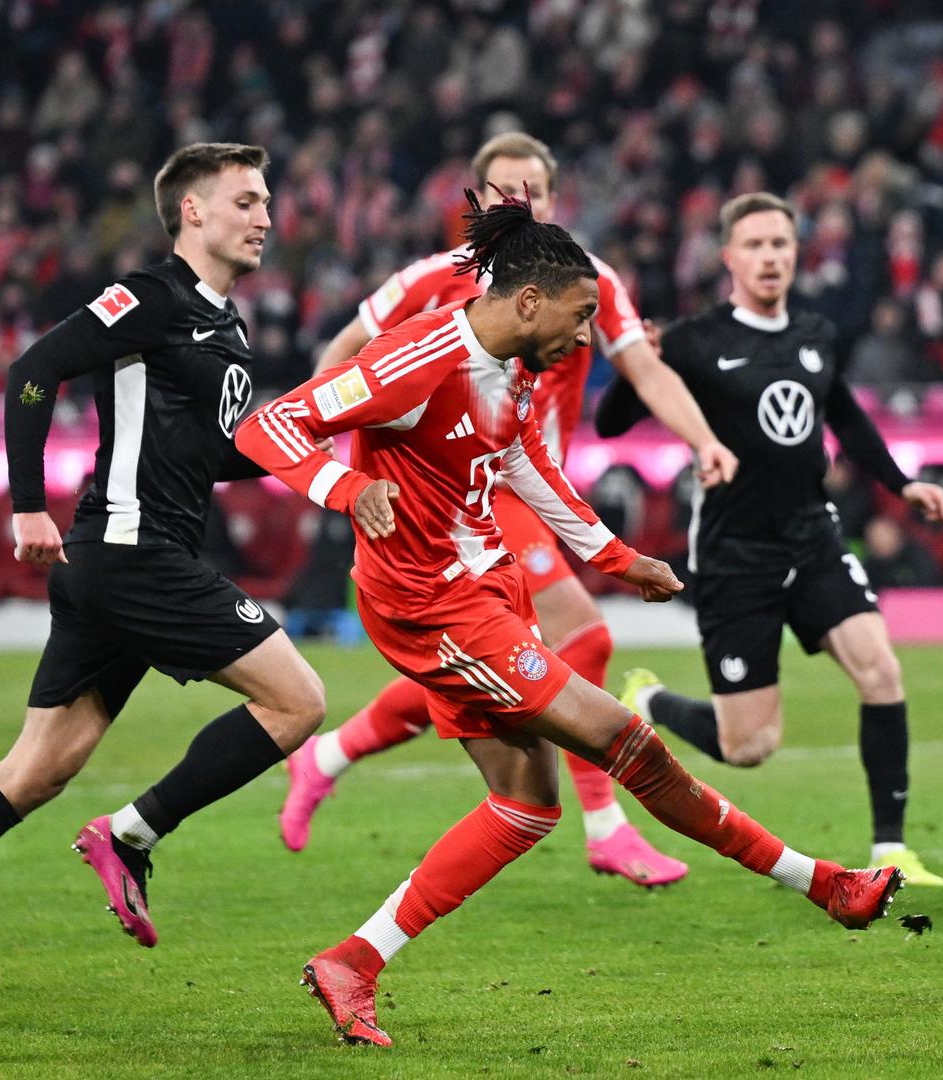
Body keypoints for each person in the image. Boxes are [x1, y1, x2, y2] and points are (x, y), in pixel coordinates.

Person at [235, 189, 902, 1048]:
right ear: (528, 301)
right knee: (630, 743)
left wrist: (619, 559)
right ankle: (822, 885)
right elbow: (273, 423)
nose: (586, 336)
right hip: (433, 605)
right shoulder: (418, 359)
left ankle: (353, 963)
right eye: (580, 316)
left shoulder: (510, 367)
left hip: (485, 587)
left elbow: (523, 460)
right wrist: (348, 487)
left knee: (525, 805)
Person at [0, 143, 332, 1013]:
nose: (265, 218)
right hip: (134, 555)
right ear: (194, 213)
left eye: (267, 201)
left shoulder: (225, 326)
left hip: (127, 561)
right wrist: (26, 504)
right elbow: (34, 370)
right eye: (246, 200)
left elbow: (211, 453)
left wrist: (318, 447)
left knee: (36, 770)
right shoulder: (152, 296)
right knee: (299, 701)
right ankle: (131, 835)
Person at [279, 133, 736, 889]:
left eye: (536, 192)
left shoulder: (584, 283)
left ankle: (328, 755)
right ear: (480, 203)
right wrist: (343, 473)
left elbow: (644, 366)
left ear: (557, 202)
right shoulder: (431, 282)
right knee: (581, 639)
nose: (520, 204)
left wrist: (702, 439)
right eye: (503, 193)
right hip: (455, 500)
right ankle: (607, 828)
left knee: (489, 673)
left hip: (525, 488)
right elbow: (340, 359)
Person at [597, 192, 943, 886]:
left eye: (781, 245)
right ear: (728, 257)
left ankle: (891, 851)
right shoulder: (697, 340)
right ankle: (653, 703)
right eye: (755, 245)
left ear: (797, 255)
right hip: (735, 557)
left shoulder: (816, 333)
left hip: (811, 537)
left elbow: (844, 416)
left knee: (880, 671)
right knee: (751, 745)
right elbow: (612, 424)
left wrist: (901, 482)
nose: (769, 258)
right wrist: (641, 354)